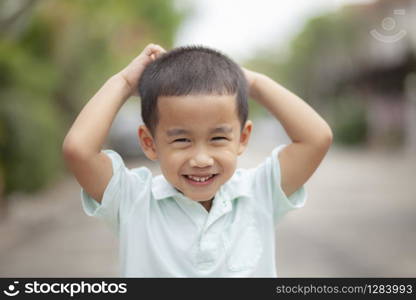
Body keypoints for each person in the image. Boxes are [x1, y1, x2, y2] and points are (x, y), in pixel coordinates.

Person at [62, 43, 333, 277]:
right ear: (149, 143)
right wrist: (123, 83)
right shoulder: (133, 200)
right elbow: (79, 150)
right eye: (181, 140)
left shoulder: (260, 192)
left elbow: (317, 138)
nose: (201, 159)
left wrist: (252, 82)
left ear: (242, 138)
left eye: (217, 139)